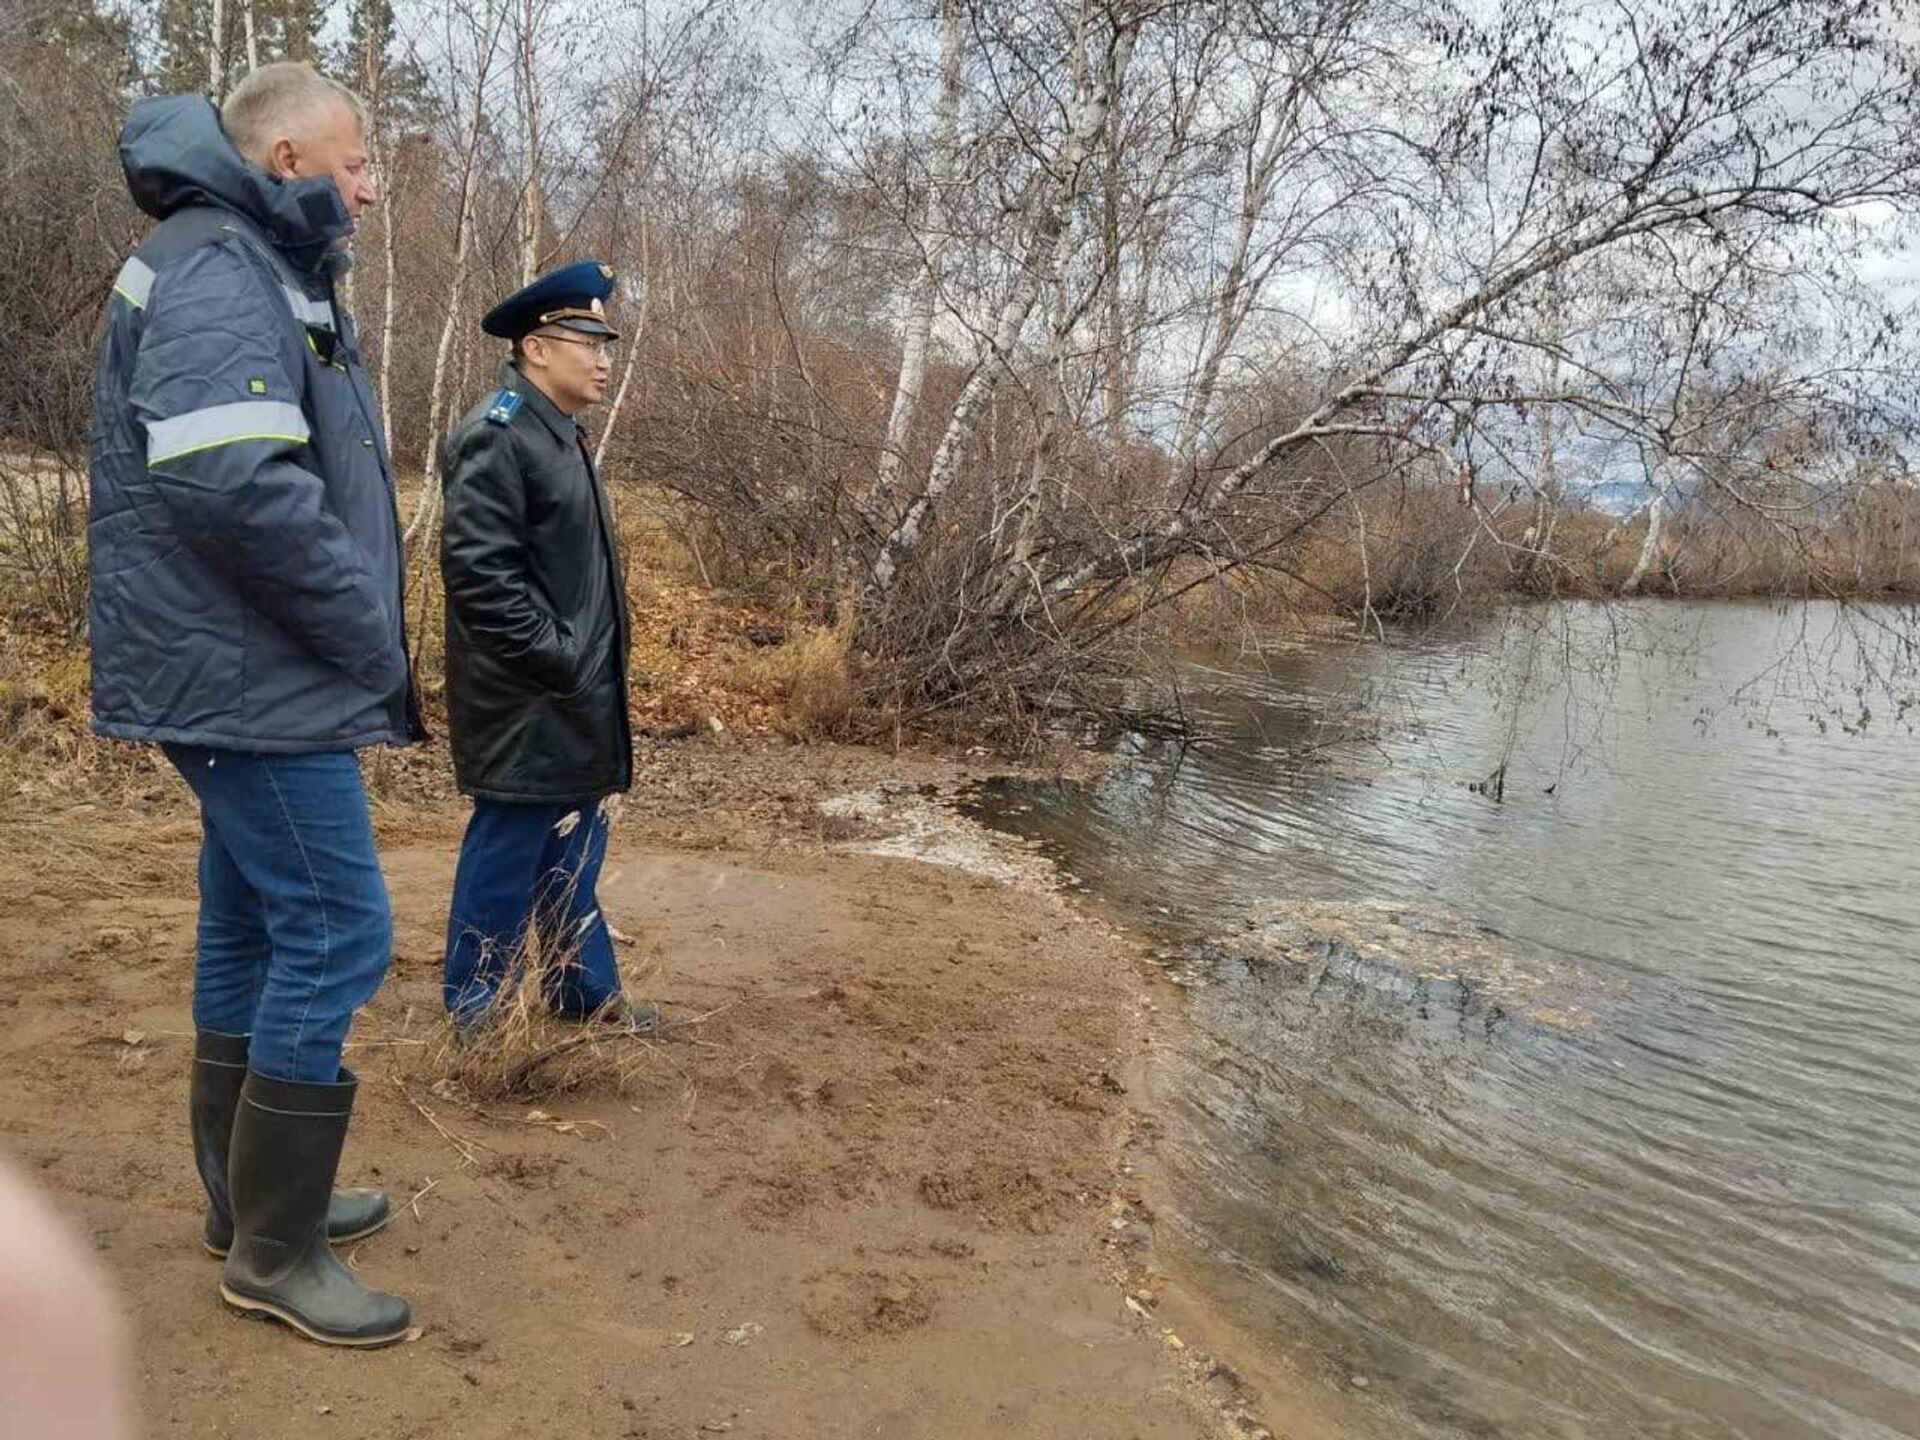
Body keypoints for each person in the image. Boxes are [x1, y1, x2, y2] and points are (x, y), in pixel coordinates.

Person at [89, 63, 420, 1347]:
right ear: (287, 160)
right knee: (339, 927)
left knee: (250, 919)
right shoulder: (224, 264)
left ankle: (248, 1204)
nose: (371, 186)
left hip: (233, 666)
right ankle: (274, 1255)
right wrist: (365, 634)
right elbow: (232, 481)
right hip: (247, 673)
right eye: (355, 164)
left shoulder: (244, 254)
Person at [439, 261, 653, 1034]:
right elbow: (482, 580)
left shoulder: (557, 433)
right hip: (528, 700)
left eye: (607, 346)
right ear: (536, 348)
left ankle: (581, 994)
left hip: (573, 696)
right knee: (505, 859)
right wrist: (562, 659)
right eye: (587, 343)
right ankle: (478, 1013)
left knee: (572, 855)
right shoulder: (497, 437)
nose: (602, 360)